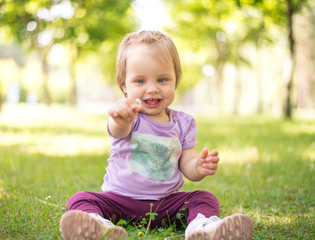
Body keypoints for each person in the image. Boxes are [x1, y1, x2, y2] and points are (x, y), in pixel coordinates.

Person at [59, 30, 254, 240]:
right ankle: (98, 227)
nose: (152, 89)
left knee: (204, 198)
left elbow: (187, 165)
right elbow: (118, 128)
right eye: (140, 81)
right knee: (81, 198)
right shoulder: (127, 113)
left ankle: (204, 228)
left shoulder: (183, 123)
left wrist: (198, 166)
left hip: (166, 205)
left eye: (162, 79)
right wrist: (120, 118)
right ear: (124, 85)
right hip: (120, 201)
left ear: (175, 81)